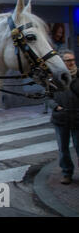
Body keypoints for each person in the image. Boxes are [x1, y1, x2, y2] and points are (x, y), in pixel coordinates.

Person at [48, 49, 79, 185]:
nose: (71, 63)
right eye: (68, 60)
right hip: (61, 117)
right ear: (62, 62)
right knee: (63, 149)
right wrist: (56, 106)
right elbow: (47, 96)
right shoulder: (54, 78)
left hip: (77, 116)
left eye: (73, 60)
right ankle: (67, 173)